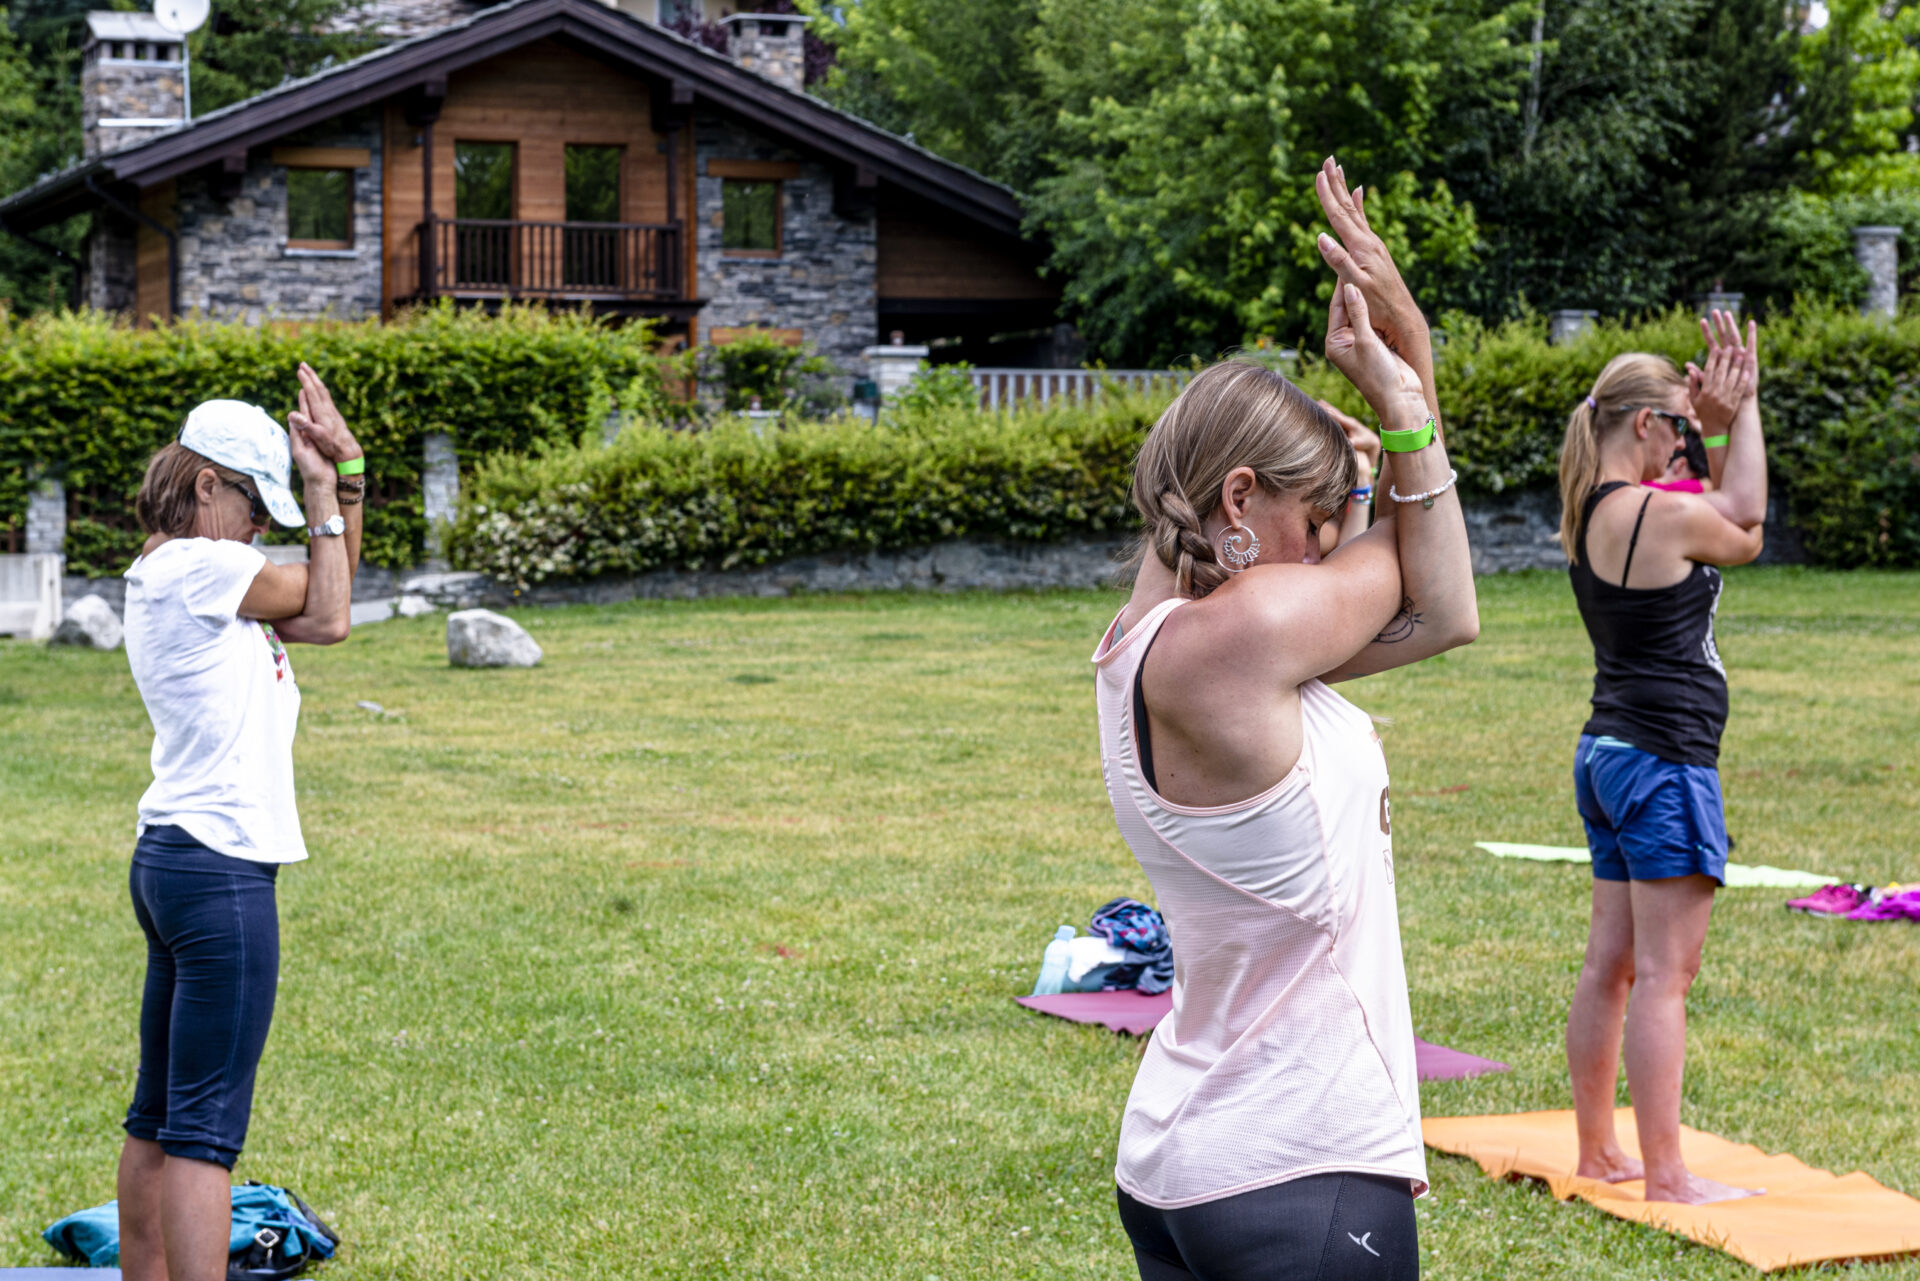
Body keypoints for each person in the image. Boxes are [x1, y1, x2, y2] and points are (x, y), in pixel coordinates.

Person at [1092, 158, 1479, 1281]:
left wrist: (1408, 382)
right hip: (1295, 1169)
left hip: (1190, 1162)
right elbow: (1439, 596)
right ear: (1239, 499)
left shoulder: (1155, 645)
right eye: (1316, 516)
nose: (1332, 541)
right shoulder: (1243, 636)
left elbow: (1421, 581)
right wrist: (1403, 397)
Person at [117, 364, 364, 1281]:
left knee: (161, 1113)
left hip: (178, 858)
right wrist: (322, 488)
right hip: (219, 869)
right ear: (205, 483)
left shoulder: (188, 575)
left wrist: (345, 480)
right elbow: (331, 600)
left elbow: (326, 615)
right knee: (205, 1129)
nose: (265, 526)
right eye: (257, 504)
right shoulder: (203, 565)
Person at [1559, 310, 1767, 1206]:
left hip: (1608, 753)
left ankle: (1603, 1150)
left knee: (1613, 963)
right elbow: (1748, 517)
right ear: (1645, 425)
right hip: (1663, 759)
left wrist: (1714, 425)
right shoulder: (1652, 512)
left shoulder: (1598, 511)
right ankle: (1669, 1175)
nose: (1686, 449)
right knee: (1665, 978)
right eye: (1678, 430)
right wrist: (1737, 415)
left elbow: (1732, 527)